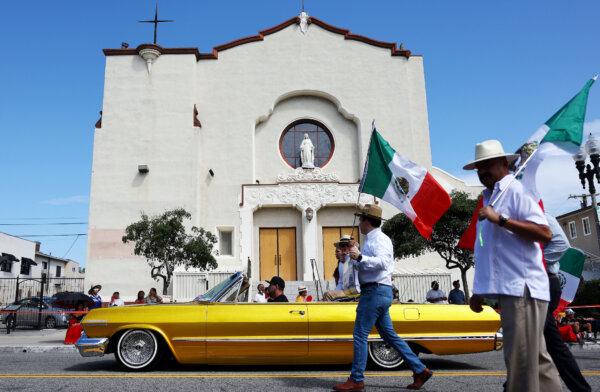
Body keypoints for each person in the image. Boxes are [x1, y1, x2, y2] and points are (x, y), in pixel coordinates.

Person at [464, 139, 561, 392]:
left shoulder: (516, 192)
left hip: (522, 290)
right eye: (478, 167)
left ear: (503, 164)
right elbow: (490, 253)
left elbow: (544, 233)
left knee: (521, 363)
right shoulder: (490, 198)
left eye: (486, 165)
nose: (482, 171)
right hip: (514, 291)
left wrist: (502, 219)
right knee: (538, 363)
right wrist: (480, 290)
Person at [333, 204, 432, 391]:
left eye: (361, 219)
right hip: (378, 291)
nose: (359, 223)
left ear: (366, 221)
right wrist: (354, 256)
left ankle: (356, 379)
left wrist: (360, 257)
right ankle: (420, 370)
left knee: (360, 334)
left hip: (375, 291)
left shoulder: (379, 239)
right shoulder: (371, 240)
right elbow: (365, 267)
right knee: (389, 335)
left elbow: (384, 263)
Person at [541, 213, 592, 391]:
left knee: (550, 342)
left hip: (544, 282)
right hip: (536, 283)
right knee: (531, 342)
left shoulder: (539, 213)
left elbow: (561, 244)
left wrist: (533, 265)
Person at [323, 235, 361, 301]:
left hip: (355, 290)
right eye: (342, 245)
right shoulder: (341, 263)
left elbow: (360, 262)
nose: (344, 247)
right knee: (328, 294)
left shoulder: (354, 257)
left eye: (347, 245)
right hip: (346, 290)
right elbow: (341, 282)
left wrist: (353, 250)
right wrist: (335, 292)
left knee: (328, 295)